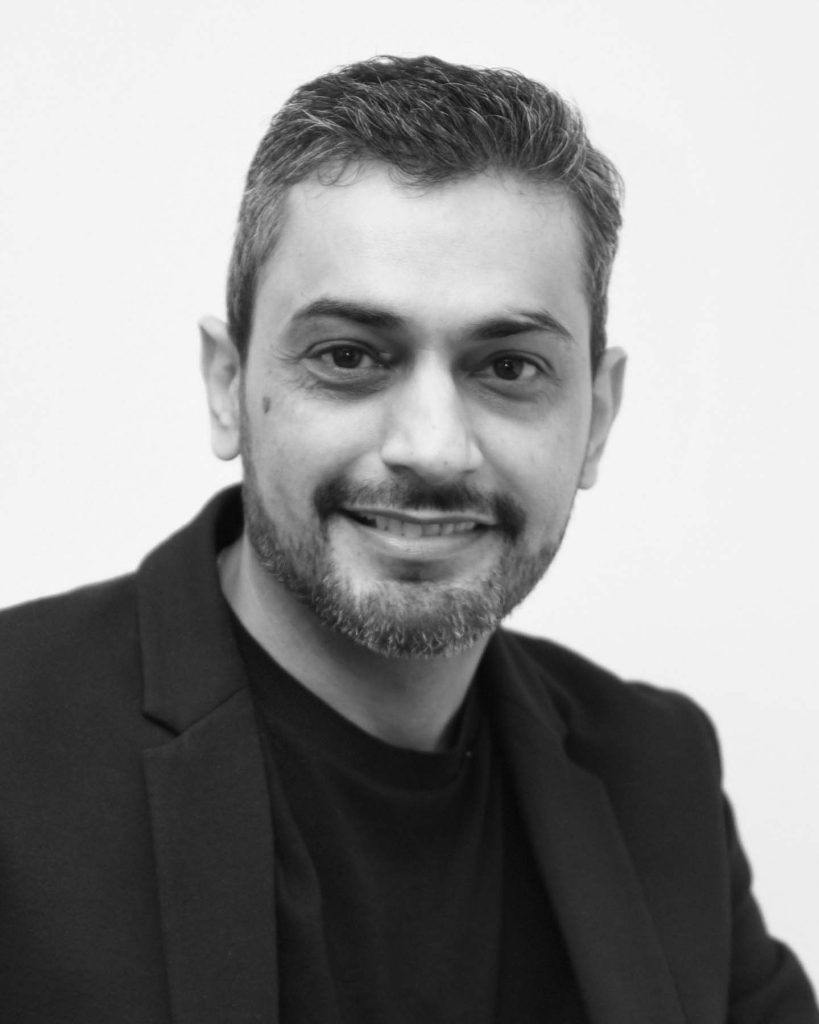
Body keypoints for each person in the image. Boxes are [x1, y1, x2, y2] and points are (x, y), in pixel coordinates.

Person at [0, 54, 815, 1024]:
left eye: (508, 367)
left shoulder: (658, 773)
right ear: (228, 385)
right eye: (349, 356)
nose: (433, 447)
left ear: (595, 417)